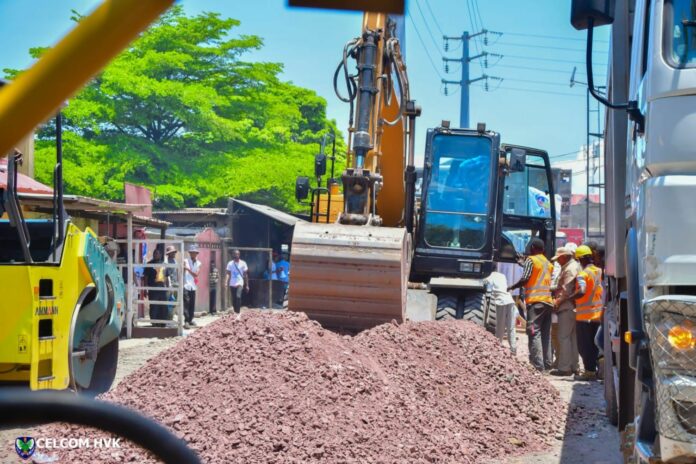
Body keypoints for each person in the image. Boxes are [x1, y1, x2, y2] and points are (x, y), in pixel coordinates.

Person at [509, 237, 554, 371]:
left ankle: (537, 365)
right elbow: (537, 273)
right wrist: (523, 263)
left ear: (533, 247)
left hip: (536, 303)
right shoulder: (547, 263)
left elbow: (526, 278)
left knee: (534, 332)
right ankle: (547, 363)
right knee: (545, 334)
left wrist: (512, 286)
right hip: (548, 302)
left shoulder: (531, 260)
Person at [549, 247, 582, 376]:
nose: (557, 262)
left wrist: (556, 302)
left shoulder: (569, 269)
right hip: (573, 307)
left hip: (567, 306)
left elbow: (566, 290)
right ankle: (574, 366)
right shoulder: (573, 266)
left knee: (563, 337)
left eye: (558, 259)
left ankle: (564, 368)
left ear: (564, 256)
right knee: (572, 338)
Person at [573, 245, 604, 381]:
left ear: (580, 259)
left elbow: (582, 291)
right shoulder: (600, 271)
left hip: (584, 317)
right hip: (598, 316)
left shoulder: (582, 274)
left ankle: (589, 372)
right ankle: (598, 371)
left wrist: (569, 296)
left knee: (585, 346)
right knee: (596, 345)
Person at [486, 263, 517, 354]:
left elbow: (488, 291)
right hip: (510, 300)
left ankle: (498, 347)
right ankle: (513, 348)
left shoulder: (488, 277)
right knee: (511, 326)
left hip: (500, 302)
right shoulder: (502, 275)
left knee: (500, 326)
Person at [144, 247, 167, 327]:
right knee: (154, 305)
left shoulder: (163, 264)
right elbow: (146, 277)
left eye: (158, 253)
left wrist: (167, 287)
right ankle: (154, 322)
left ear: (160, 255)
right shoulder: (149, 264)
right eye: (155, 253)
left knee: (163, 305)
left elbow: (166, 276)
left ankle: (163, 322)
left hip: (162, 287)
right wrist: (146, 288)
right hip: (153, 288)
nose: (156, 255)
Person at [183, 244, 202, 329]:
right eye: (191, 252)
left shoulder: (199, 263)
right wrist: (186, 269)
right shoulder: (185, 261)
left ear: (196, 254)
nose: (193, 254)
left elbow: (196, 275)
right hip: (186, 285)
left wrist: (188, 269)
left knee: (192, 304)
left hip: (193, 286)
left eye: (194, 253)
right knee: (186, 303)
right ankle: (186, 320)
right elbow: (183, 270)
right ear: (190, 253)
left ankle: (191, 319)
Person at [226, 249, 249, 314]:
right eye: (235, 254)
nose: (237, 255)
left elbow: (245, 275)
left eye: (238, 254)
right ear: (233, 255)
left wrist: (247, 285)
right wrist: (226, 282)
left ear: (239, 255)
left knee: (238, 296)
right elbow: (228, 273)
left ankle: (238, 312)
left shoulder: (243, 263)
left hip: (240, 282)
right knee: (233, 299)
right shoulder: (230, 263)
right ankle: (235, 311)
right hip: (232, 283)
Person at [165, 245, 179, 322]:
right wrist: (169, 285)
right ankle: (168, 318)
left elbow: (176, 272)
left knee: (174, 302)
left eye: (174, 252)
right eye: (172, 252)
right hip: (169, 284)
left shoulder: (175, 261)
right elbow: (167, 275)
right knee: (169, 301)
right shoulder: (166, 262)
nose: (174, 254)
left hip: (175, 284)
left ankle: (172, 317)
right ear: (169, 254)